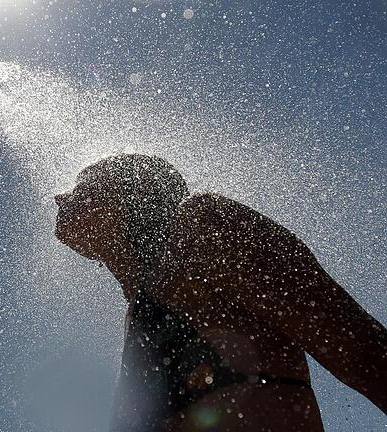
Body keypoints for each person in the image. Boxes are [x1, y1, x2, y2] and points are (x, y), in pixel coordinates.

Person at [53, 154, 387, 431]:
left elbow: (360, 348)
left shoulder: (203, 226)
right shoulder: (136, 314)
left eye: (84, 186)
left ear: (134, 192)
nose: (61, 196)